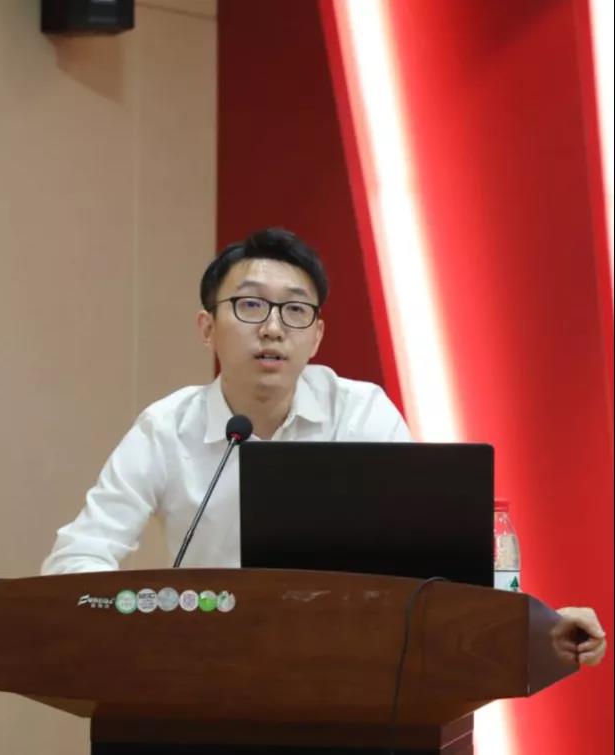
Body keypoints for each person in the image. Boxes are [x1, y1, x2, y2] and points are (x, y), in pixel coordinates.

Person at [41, 227, 606, 667]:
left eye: (295, 310)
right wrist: (142, 620)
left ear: (316, 336)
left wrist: (533, 626)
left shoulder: (360, 413)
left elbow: (436, 563)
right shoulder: (166, 427)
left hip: (351, 670)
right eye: (250, 305)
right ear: (207, 328)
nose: (272, 328)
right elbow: (76, 558)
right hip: (204, 666)